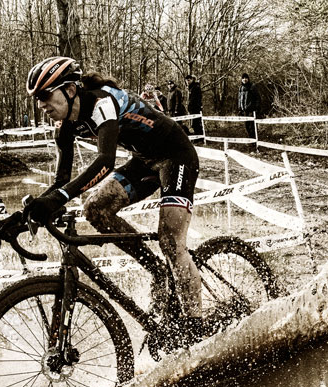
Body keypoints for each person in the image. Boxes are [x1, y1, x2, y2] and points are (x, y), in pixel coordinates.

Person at [23, 56, 205, 341]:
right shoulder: (64, 124)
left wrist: (58, 198)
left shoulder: (101, 102)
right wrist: (29, 211)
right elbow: (60, 181)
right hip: (144, 161)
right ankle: (158, 271)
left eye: (45, 95)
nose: (41, 105)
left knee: (170, 242)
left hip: (175, 156)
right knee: (95, 209)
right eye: (37, 99)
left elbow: (105, 161)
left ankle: (198, 326)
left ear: (70, 90)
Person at [237, 73, 260, 142]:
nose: (244, 79)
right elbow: (239, 99)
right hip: (244, 111)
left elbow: (258, 98)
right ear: (241, 79)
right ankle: (251, 141)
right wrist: (240, 109)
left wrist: (256, 108)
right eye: (243, 78)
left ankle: (254, 142)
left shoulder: (252, 86)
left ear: (248, 79)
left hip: (251, 110)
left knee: (252, 127)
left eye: (246, 78)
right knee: (247, 126)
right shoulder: (240, 88)